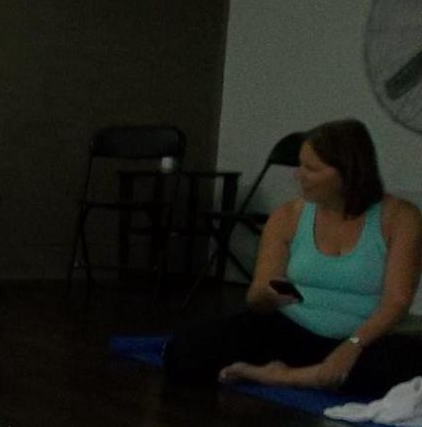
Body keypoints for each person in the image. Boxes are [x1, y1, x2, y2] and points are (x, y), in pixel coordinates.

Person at [164, 119, 422, 394]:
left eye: (311, 169)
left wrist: (353, 346)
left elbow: (397, 301)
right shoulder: (288, 215)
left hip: (365, 339)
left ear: (348, 172)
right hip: (293, 327)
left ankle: (283, 377)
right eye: (300, 165)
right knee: (185, 350)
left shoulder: (400, 217)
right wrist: (266, 294)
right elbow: (258, 294)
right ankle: (315, 376)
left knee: (407, 368)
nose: (298, 176)